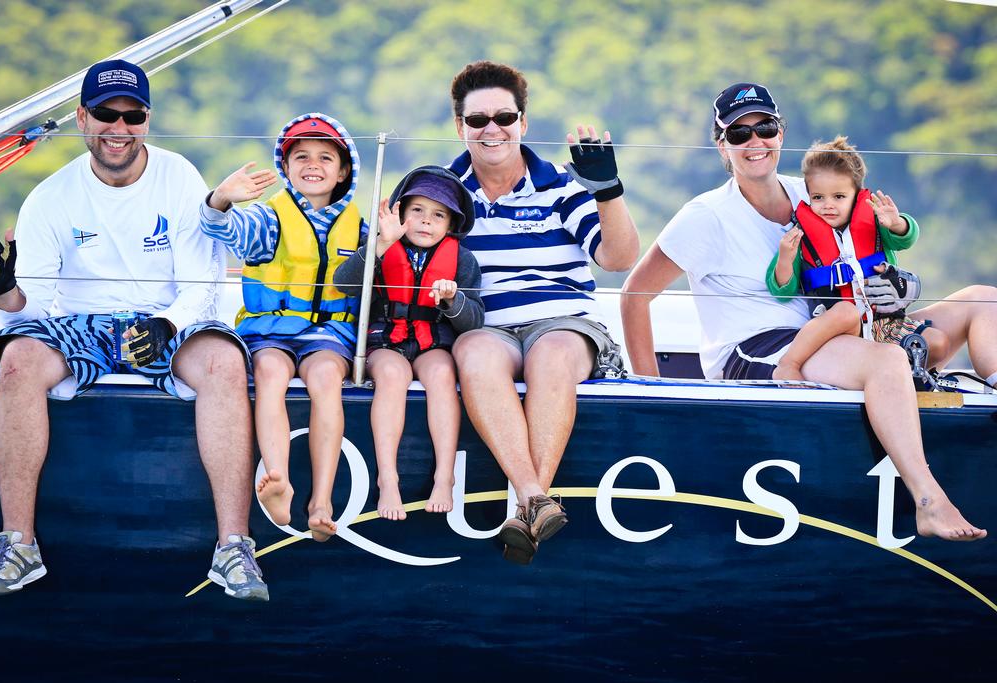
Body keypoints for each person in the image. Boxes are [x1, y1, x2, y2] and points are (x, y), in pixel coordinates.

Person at [620, 82, 985, 541]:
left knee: (983, 300)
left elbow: (879, 241)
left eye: (765, 127)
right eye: (739, 135)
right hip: (755, 352)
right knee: (887, 360)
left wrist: (893, 279)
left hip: (842, 328)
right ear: (722, 146)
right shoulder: (706, 215)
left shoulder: (813, 193)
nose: (755, 142)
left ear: (781, 133)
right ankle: (929, 500)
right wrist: (650, 394)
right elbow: (634, 295)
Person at [0, 59, 269, 601]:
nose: (119, 127)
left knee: (225, 361)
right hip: (78, 324)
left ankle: (234, 547)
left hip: (163, 317)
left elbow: (201, 284)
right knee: (15, 361)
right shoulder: (50, 197)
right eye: (106, 114)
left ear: (147, 120)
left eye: (132, 115)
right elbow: (29, 312)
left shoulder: (180, 177)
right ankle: (19, 544)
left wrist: (165, 324)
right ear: (83, 118)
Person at [445, 61, 640, 564]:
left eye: (505, 118)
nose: (492, 129)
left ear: (523, 124)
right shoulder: (442, 193)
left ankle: (527, 501)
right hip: (486, 325)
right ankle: (534, 500)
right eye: (478, 120)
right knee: (472, 351)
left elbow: (618, 259)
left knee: (551, 356)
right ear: (459, 126)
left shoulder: (561, 187)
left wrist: (608, 189)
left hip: (563, 324)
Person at [199, 112, 364, 542]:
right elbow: (221, 229)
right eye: (301, 157)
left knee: (327, 378)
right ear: (285, 168)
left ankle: (322, 501)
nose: (313, 165)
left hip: (328, 335)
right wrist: (220, 199)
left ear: (344, 170)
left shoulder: (361, 229)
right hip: (269, 331)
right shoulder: (269, 219)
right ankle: (280, 480)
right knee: (271, 373)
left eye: (326, 157)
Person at [334, 166, 483, 520]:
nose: (426, 221)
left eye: (438, 215)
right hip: (387, 341)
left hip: (434, 344)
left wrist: (452, 301)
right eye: (417, 210)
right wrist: (380, 245)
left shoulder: (462, 259)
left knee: (443, 376)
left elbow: (475, 319)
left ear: (451, 223)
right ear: (400, 212)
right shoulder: (382, 245)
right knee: (391, 376)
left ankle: (444, 476)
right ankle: (388, 478)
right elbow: (345, 284)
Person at [768, 136, 949, 381]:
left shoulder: (876, 222)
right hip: (840, 329)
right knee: (847, 311)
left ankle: (902, 376)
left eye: (839, 197)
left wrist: (896, 223)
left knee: (938, 342)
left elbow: (906, 238)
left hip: (884, 324)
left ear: (856, 195)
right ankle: (789, 363)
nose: (827, 205)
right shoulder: (801, 236)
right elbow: (782, 290)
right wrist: (785, 260)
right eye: (818, 197)